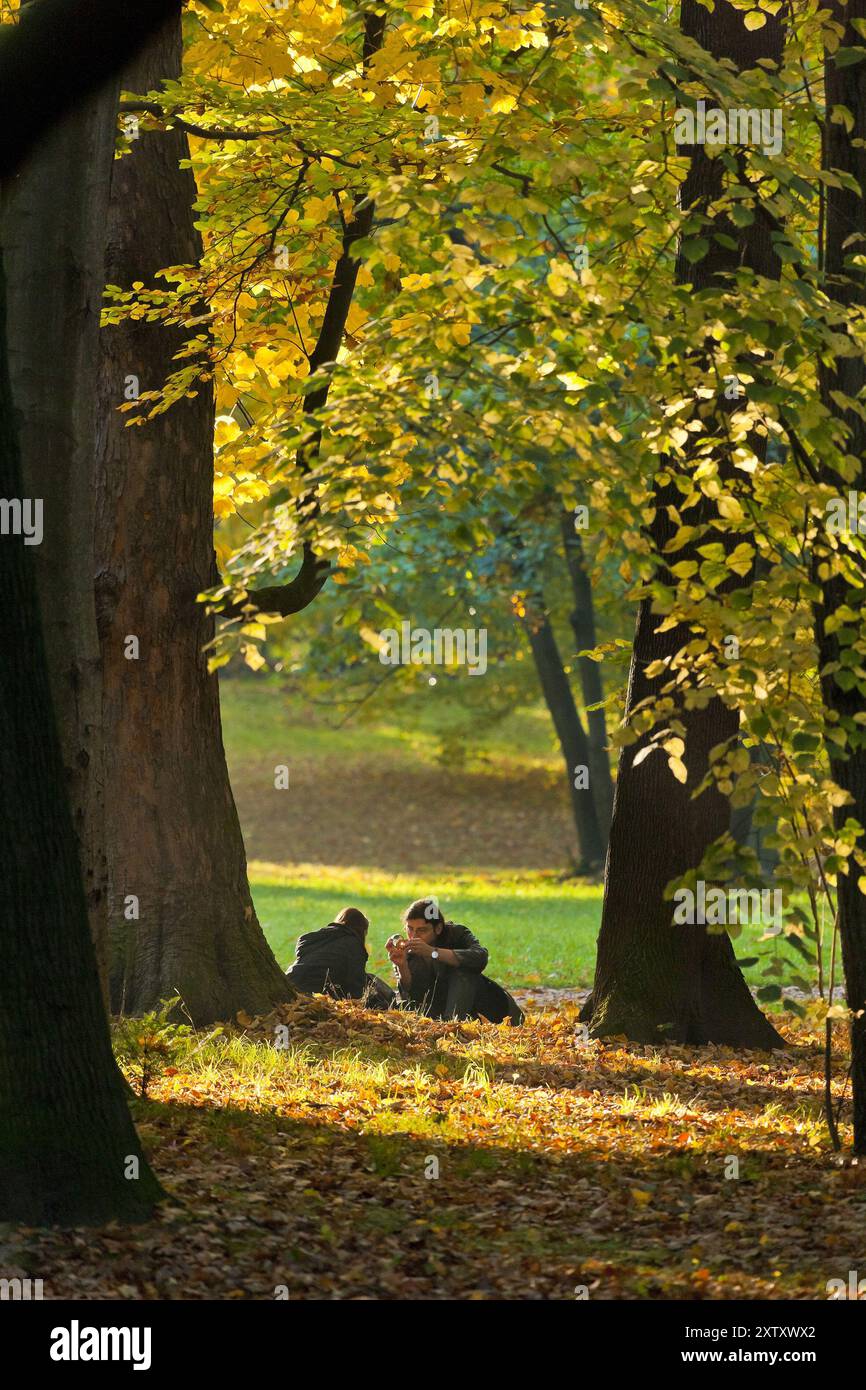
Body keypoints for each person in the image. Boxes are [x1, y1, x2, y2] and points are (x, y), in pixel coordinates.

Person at [387, 897, 523, 1024]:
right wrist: (402, 966)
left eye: (422, 930)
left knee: (462, 972)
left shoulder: (456, 934)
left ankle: (451, 1026)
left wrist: (433, 952)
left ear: (438, 928)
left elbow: (479, 957)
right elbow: (413, 995)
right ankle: (447, 1027)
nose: (414, 936)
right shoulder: (407, 951)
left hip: (495, 1013)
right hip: (444, 1013)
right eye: (410, 929)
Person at [285, 907, 394, 1008]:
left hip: (289, 985)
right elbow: (356, 988)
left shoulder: (314, 939)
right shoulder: (353, 945)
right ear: (362, 931)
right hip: (315, 997)